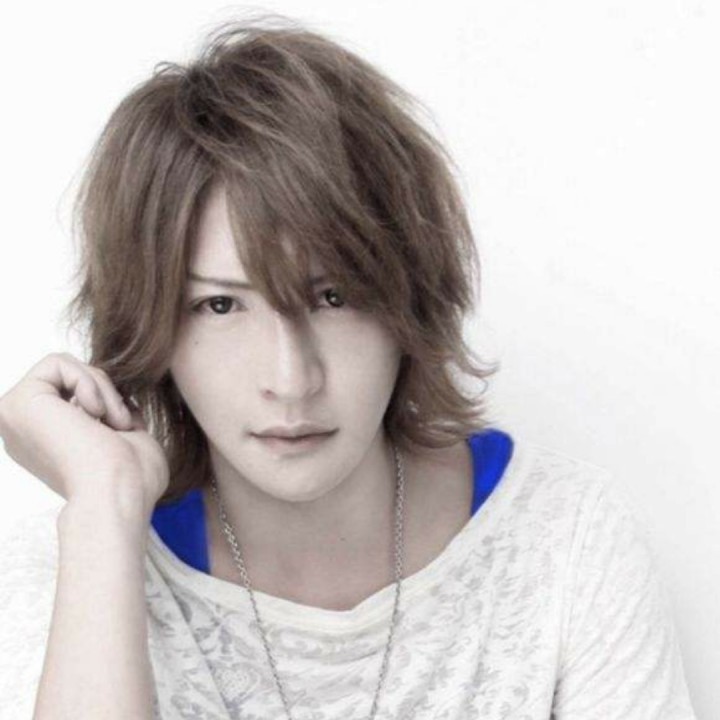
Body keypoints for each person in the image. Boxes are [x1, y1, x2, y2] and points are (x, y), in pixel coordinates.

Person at [0, 13, 698, 720]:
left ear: (410, 298)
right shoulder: (77, 564)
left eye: (333, 297)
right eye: (220, 305)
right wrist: (105, 509)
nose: (290, 380)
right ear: (152, 323)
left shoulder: (565, 537)